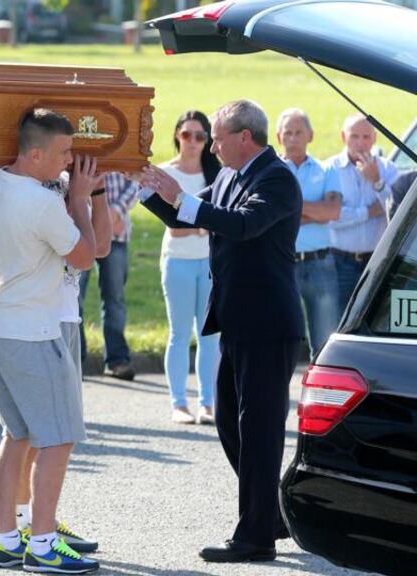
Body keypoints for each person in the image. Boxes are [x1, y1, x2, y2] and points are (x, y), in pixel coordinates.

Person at [139, 99, 304, 563]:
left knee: (260, 430)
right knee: (233, 425)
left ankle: (255, 537)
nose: (210, 145)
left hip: (268, 324)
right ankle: (268, 514)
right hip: (235, 320)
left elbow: (244, 225)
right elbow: (184, 217)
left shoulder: (275, 179)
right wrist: (148, 189)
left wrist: (182, 195)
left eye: (216, 136)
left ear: (244, 137)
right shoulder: (231, 175)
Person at [0, 109, 100, 575]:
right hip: (31, 328)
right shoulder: (43, 203)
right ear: (36, 153)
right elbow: (84, 257)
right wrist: (81, 200)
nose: (71, 161)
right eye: (65, 152)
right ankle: (42, 546)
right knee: (58, 439)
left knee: (18, 433)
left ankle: (8, 541)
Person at [158, 110, 222, 424]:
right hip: (177, 262)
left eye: (200, 136)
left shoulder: (218, 175)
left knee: (209, 335)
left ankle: (208, 403)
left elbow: (219, 222)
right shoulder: (165, 174)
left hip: (210, 263)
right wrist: (203, 225)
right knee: (179, 334)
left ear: (208, 141)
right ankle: (178, 403)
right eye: (187, 135)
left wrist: (194, 223)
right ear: (177, 136)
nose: (193, 142)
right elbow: (173, 228)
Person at [277, 108, 344, 360]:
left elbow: (333, 211)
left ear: (310, 135)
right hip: (284, 264)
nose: (292, 138)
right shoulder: (273, 172)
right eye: (287, 133)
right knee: (283, 338)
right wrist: (314, 211)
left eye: (298, 132)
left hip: (321, 265)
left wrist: (290, 207)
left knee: (326, 343)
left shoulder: (327, 170)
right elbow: (272, 219)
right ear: (278, 136)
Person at [326, 114, 399, 311]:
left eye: (366, 137)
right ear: (343, 137)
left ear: (375, 138)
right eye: (354, 136)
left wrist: (377, 182)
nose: (360, 143)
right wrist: (368, 212)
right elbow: (330, 217)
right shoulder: (330, 169)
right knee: (339, 319)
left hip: (378, 262)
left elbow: (399, 214)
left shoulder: (388, 170)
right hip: (340, 262)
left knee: (377, 317)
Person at [76, 172, 138, 380]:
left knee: (115, 299)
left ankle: (117, 360)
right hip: (80, 232)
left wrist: (115, 212)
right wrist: (95, 216)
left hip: (118, 234)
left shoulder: (122, 143)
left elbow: (135, 179)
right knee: (73, 297)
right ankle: (75, 359)